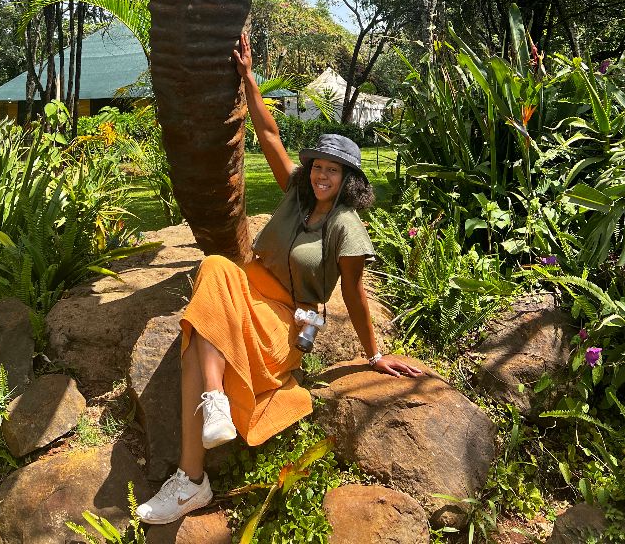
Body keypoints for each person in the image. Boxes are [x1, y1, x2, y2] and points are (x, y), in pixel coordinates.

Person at [136, 32, 422, 525]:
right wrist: (248, 78)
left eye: (332, 171)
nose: (320, 177)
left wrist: (374, 354)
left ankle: (191, 479)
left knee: (198, 334)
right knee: (216, 266)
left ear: (349, 179)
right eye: (317, 167)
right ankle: (215, 404)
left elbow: (352, 293)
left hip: (287, 321)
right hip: (247, 291)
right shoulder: (295, 193)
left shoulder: (346, 227)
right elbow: (270, 136)